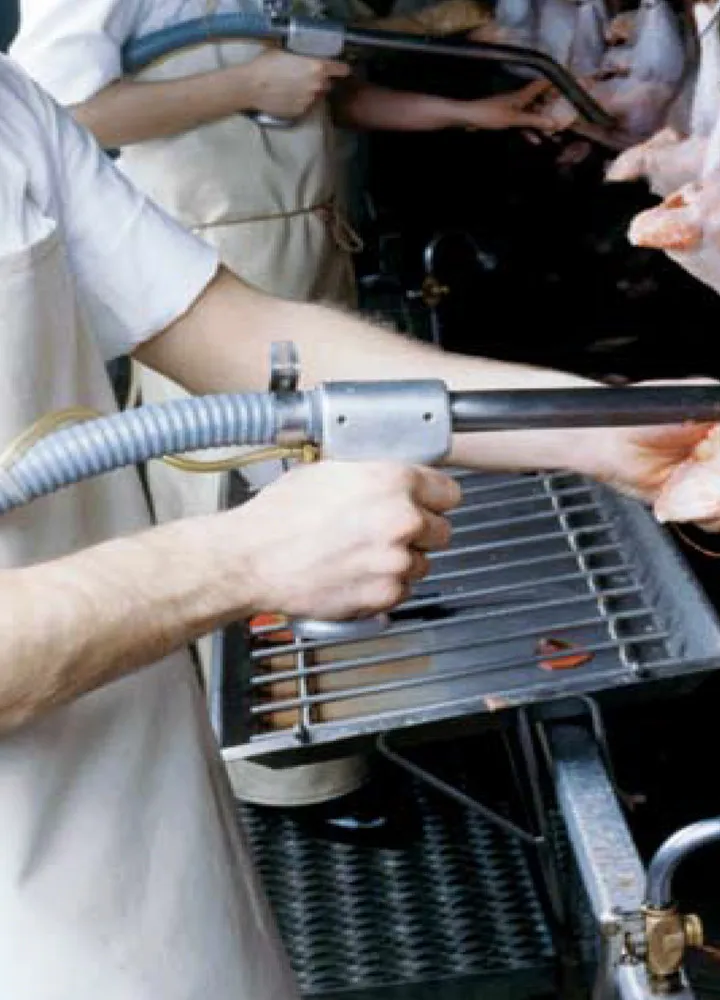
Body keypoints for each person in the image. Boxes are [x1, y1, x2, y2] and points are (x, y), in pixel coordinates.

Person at [0, 52, 706, 997]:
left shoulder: (8, 106)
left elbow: (231, 331)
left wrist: (593, 426)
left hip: (141, 803)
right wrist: (241, 557)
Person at [11, 0, 559, 809]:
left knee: (336, 512)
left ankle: (335, 745)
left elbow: (324, 102)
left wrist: (471, 112)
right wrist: (241, 83)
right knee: (237, 502)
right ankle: (282, 774)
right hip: (209, 248)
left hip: (300, 247)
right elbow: (70, 101)